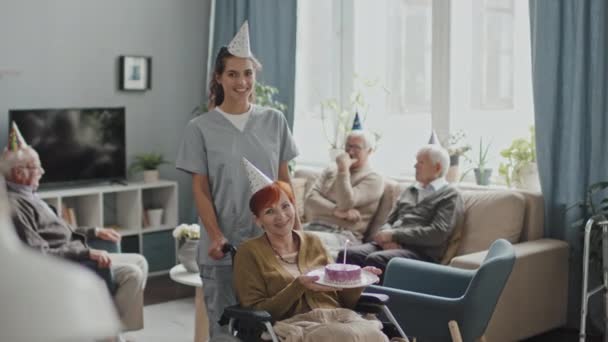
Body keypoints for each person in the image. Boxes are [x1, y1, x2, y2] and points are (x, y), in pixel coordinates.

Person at [175, 21, 299, 336]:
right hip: (223, 248)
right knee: (225, 331)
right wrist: (216, 236)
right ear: (218, 77)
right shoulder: (199, 128)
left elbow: (284, 180)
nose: (241, 82)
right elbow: (201, 190)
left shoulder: (274, 121)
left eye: (247, 73)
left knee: (272, 328)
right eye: (232, 74)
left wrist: (296, 229)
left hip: (270, 245)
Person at [1, 122, 148, 342]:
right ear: (19, 172)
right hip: (69, 261)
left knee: (139, 262)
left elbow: (60, 230)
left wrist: (94, 230)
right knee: (131, 274)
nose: (42, 172)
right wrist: (86, 253)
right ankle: (110, 333)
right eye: (37, 167)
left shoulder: (29, 194)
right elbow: (37, 251)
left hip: (77, 252)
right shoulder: (15, 204)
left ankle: (109, 328)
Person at [233, 161, 386, 342]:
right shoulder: (248, 253)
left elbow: (343, 301)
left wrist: (356, 282)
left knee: (374, 335)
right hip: (296, 325)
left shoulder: (314, 242)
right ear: (258, 220)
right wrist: (299, 285)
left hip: (339, 317)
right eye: (269, 211)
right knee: (349, 336)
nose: (281, 216)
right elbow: (255, 310)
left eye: (285, 206)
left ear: (294, 207)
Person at [338, 144, 464, 281]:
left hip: (420, 252)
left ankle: (371, 302)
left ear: (437, 167)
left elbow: (437, 233)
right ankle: (342, 301)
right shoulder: (410, 190)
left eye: (421, 162)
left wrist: (395, 235)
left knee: (377, 260)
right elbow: (389, 221)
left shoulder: (450, 195)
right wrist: (386, 237)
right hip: (390, 245)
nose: (415, 166)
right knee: (348, 254)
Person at [305, 128, 384, 253]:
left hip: (344, 235)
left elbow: (346, 203)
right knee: (279, 236)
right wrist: (335, 211)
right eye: (348, 146)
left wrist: (343, 170)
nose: (350, 151)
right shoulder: (331, 169)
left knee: (301, 240)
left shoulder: (374, 179)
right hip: (315, 227)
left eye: (356, 147)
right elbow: (310, 200)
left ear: (369, 151)